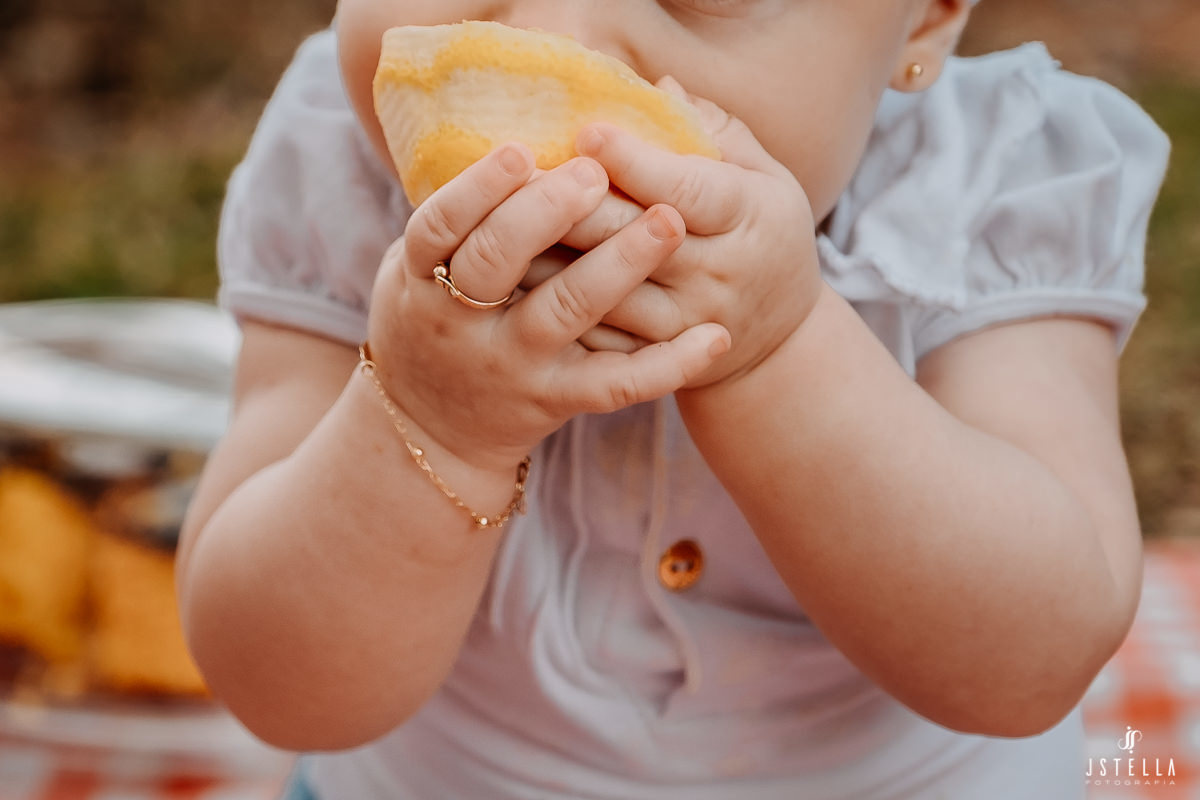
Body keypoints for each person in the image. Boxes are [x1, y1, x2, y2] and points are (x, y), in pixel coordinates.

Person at [176, 0, 1171, 797]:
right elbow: (274, 679)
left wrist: (777, 348)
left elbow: (1032, 658)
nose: (548, 39)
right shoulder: (345, 170)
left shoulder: (988, 184)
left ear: (919, 21)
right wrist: (428, 418)